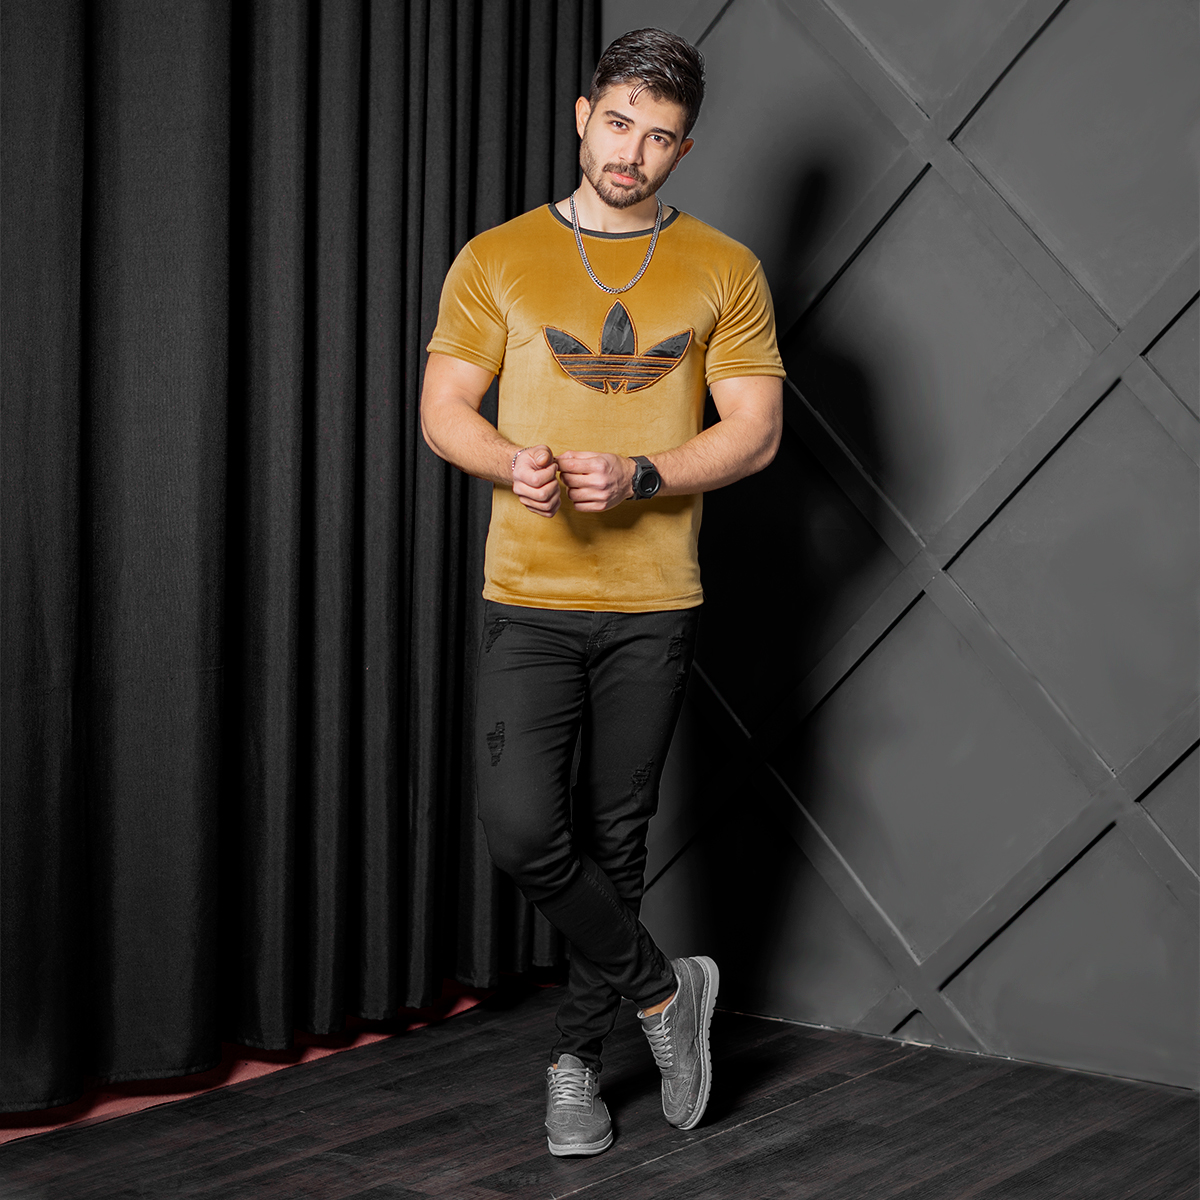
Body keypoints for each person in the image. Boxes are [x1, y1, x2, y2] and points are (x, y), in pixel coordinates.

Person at [420, 27, 785, 1157]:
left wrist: (645, 474)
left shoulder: (725, 267)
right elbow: (444, 409)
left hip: (653, 599)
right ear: (585, 116)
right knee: (523, 830)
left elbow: (758, 431)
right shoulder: (497, 257)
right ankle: (668, 992)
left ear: (684, 149)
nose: (632, 151)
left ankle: (576, 1065)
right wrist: (506, 460)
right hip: (528, 592)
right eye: (619, 123)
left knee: (616, 839)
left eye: (659, 137)